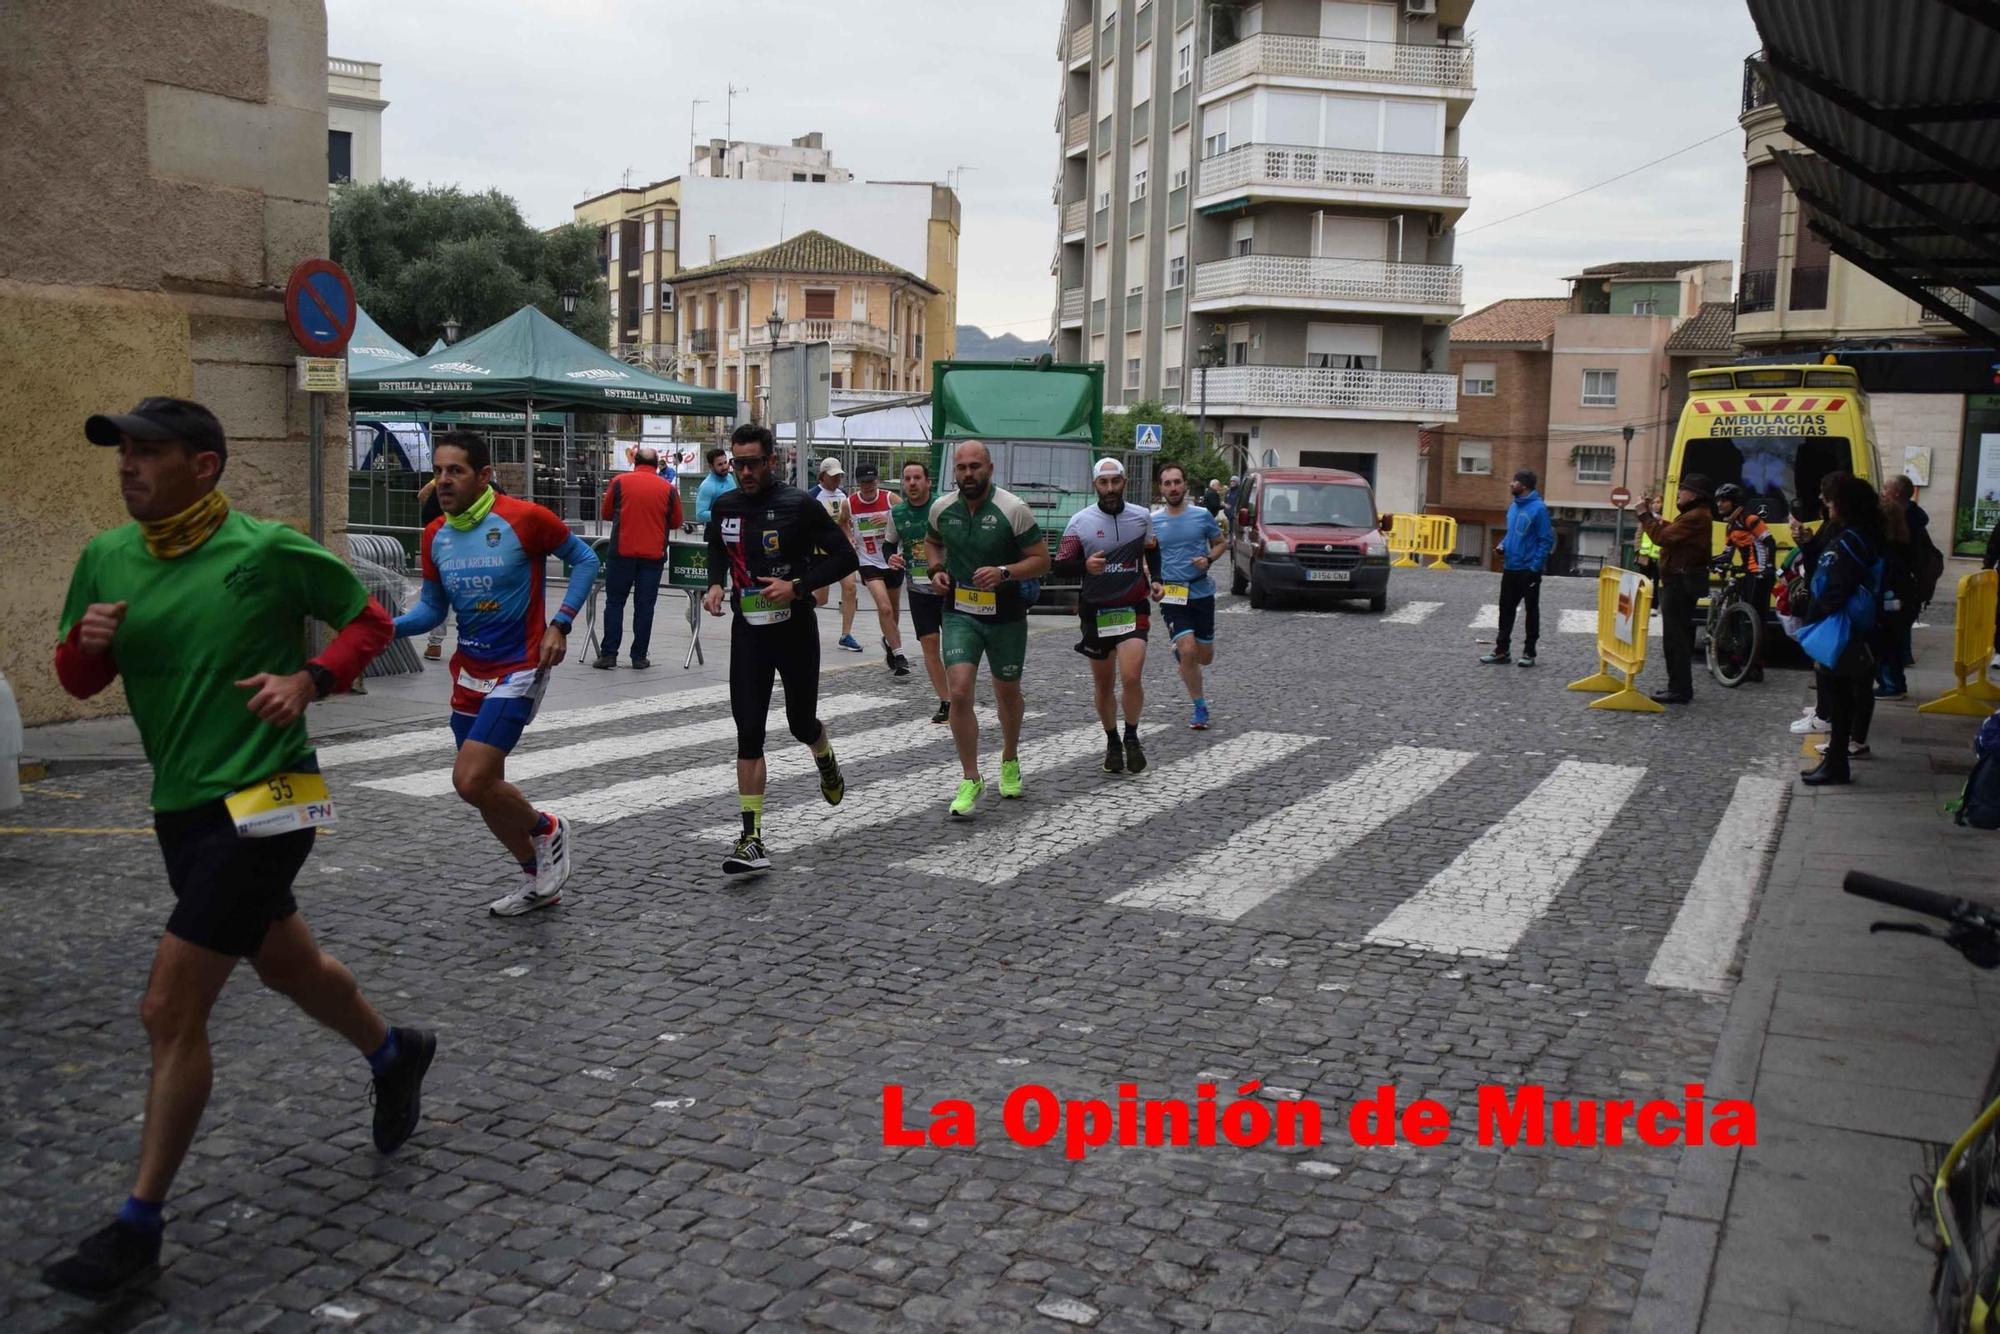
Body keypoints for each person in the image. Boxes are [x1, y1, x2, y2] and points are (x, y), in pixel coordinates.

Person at [45, 398, 433, 1300]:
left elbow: (369, 621)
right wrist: (86, 647)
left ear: (205, 465)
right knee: (290, 964)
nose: (128, 467)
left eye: (149, 452)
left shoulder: (265, 549)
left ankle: (137, 1227)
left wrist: (309, 679)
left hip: (273, 793)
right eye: (123, 453)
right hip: (181, 805)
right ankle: (393, 1053)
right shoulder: (105, 557)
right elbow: (75, 676)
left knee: (167, 1008)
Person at [392, 431, 599, 916]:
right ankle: (537, 876)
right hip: (470, 671)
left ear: (484, 475)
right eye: (438, 471)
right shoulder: (434, 535)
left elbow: (586, 559)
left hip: (521, 667)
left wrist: (561, 624)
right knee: (486, 792)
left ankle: (546, 828)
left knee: (469, 779)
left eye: (455, 471)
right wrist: (382, 628)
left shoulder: (525, 518)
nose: (443, 480)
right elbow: (430, 612)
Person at [703, 424, 858, 873]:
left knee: (799, 722)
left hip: (794, 629)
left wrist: (797, 585)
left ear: (772, 461)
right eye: (738, 464)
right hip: (748, 632)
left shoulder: (799, 505)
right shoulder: (725, 504)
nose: (745, 472)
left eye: (753, 463)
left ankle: (823, 753)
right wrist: (715, 583)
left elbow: (845, 557)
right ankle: (751, 838)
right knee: (748, 731)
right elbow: (717, 545)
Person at [926, 439, 1052, 817]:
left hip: (1006, 617)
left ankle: (1009, 758)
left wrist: (1004, 572)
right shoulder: (942, 509)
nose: (968, 473)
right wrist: (936, 571)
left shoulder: (1014, 509)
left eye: (975, 466)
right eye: (962, 467)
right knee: (960, 692)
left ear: (989, 469)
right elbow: (931, 544)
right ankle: (970, 777)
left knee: (1007, 692)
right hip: (960, 612)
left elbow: (1042, 561)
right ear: (955, 473)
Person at [1056, 458, 1160, 774]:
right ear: (1095, 485)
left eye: (1116, 481)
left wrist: (1157, 579)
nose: (1111, 488)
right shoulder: (1079, 522)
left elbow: (1153, 548)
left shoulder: (1142, 517)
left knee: (1131, 676)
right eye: (1104, 483)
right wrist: (1084, 566)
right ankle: (1112, 740)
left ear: (1125, 482)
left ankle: (1131, 735)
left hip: (1132, 605)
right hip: (1096, 610)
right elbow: (1059, 565)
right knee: (1104, 684)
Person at [1791, 472, 1884, 785]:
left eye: (1829, 498)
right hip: (1841, 621)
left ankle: (1837, 764)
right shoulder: (1855, 533)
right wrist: (1807, 545)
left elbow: (1837, 581)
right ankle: (1834, 760)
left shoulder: (1854, 537)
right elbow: (1824, 568)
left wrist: (1819, 611)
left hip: (1842, 624)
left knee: (1842, 695)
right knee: (1838, 693)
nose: (1824, 502)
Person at [1150, 461, 1227, 729]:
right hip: (1171, 593)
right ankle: (1200, 708)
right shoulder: (1153, 522)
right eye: (1167, 483)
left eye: (1177, 482)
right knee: (1188, 649)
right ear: (1160, 488)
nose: (1173, 488)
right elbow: (1146, 556)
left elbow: (1220, 544)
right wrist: (1152, 578)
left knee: (1205, 656)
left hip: (1201, 591)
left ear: (1185, 485)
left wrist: (1208, 558)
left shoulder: (1202, 515)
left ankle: (1186, 659)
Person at [593, 446, 683, 671]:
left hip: (621, 553)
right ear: (657, 464)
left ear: (635, 462)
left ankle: (609, 655)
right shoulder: (668, 488)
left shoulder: (619, 482)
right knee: (645, 607)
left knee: (614, 603)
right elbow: (676, 522)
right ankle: (639, 657)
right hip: (653, 556)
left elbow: (605, 514)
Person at [1635, 474, 1716, 704]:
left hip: (1680, 583)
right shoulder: (1695, 515)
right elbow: (1672, 534)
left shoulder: (1696, 516)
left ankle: (1680, 689)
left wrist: (1643, 514)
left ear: (1696, 495)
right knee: (1676, 637)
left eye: (1684, 489)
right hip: (1679, 580)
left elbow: (1662, 538)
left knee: (1676, 638)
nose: (1679, 492)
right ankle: (1677, 686)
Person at [891, 460, 952, 722]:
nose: (912, 483)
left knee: (955, 647)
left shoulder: (943, 507)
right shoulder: (897, 513)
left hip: (948, 588)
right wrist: (892, 558)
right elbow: (889, 544)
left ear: (928, 481)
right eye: (907, 479)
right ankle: (946, 700)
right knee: (930, 645)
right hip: (918, 591)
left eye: (917, 478)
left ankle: (960, 693)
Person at [1481, 469, 1555, 668]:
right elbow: (1512, 533)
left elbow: (1546, 540)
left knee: (1531, 611)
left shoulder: (1539, 509)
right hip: (1510, 567)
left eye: (1514, 481)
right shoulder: (1513, 506)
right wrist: (1503, 546)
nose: (1510, 484)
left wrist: (1535, 567)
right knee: (1505, 610)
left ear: (1524, 485)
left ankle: (1529, 652)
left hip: (1528, 569)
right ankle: (1502, 650)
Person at [848, 463, 912, 678]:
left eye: (871, 481)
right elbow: (840, 523)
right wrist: (848, 537)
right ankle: (900, 653)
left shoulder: (890, 499)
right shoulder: (850, 503)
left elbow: (908, 519)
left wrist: (889, 519)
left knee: (892, 610)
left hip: (891, 559)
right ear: (858, 483)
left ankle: (889, 640)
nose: (868, 486)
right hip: (867, 562)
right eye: (864, 482)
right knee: (884, 608)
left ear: (877, 480)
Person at [1715, 481, 1777, 683]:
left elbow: (1770, 542)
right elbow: (1727, 553)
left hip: (1760, 574)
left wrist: (1768, 567)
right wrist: (1712, 562)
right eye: (1718, 501)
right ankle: (1742, 663)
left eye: (1723, 500)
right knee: (1742, 618)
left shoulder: (1751, 519)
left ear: (1734, 502)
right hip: (1747, 573)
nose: (1719, 504)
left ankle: (1752, 666)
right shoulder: (1730, 525)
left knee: (1755, 621)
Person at [809, 457, 863, 652]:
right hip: (820, 553)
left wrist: (851, 537)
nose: (837, 479)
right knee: (821, 598)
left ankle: (846, 634)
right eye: (833, 476)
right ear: (822, 476)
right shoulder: (812, 496)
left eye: (839, 476)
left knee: (850, 588)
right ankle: (798, 616)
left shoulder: (843, 495)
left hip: (842, 551)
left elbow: (847, 521)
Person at [695, 445, 736, 525]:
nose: (725, 467)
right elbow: (700, 515)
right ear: (711, 466)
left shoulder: (730, 477)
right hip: (714, 532)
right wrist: (725, 513)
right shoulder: (707, 486)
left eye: (725, 462)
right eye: (720, 464)